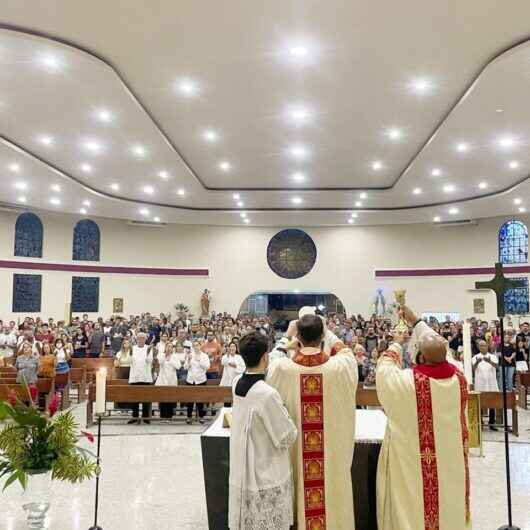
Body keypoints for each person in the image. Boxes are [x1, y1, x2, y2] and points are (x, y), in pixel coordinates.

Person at [376, 305, 471, 530]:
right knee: (447, 505)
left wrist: (398, 342)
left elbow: (384, 369)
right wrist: (417, 321)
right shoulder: (459, 376)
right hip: (449, 461)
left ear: (420, 356)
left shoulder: (408, 383)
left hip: (414, 463)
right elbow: (440, 348)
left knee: (416, 506)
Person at [267, 314, 358, 530]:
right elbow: (345, 351)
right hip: (329, 456)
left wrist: (286, 337)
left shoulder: (283, 369)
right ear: (322, 337)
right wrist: (328, 331)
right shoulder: (340, 367)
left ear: (298, 336)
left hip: (297, 452)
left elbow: (272, 359)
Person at [229, 331, 297, 530]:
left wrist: (285, 344)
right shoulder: (266, 394)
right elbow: (287, 436)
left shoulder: (236, 384)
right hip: (264, 470)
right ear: (265, 357)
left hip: (243, 467)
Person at [473, 340, 499, 430]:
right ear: (478, 347)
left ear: (487, 346)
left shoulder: (492, 356)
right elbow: (473, 369)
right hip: (480, 383)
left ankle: (492, 423)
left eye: (484, 345)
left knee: (492, 403)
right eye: (480, 346)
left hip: (491, 383)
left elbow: (497, 366)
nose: (482, 347)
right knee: (480, 403)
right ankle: (480, 422)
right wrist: (477, 362)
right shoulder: (475, 357)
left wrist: (489, 361)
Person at [128, 332, 153, 425]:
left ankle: (146, 417)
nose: (141, 339)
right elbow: (129, 361)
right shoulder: (133, 348)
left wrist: (147, 353)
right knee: (134, 399)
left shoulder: (148, 348)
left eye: (143, 338)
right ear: (136, 339)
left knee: (146, 399)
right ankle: (135, 416)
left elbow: (149, 361)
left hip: (145, 377)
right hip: (134, 377)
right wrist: (130, 354)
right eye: (139, 338)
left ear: (145, 339)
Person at [184, 341, 210, 424]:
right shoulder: (190, 355)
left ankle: (201, 417)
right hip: (190, 380)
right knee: (189, 400)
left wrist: (199, 361)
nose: (196, 347)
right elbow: (185, 367)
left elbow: (207, 367)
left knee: (200, 400)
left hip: (201, 380)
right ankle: (189, 417)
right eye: (194, 345)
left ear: (200, 346)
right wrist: (188, 360)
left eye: (197, 345)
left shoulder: (204, 356)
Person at [155, 342, 181, 421]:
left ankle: (169, 417)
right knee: (162, 399)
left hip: (171, 380)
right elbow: (160, 362)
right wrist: (165, 356)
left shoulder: (175, 356)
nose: (169, 348)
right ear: (165, 348)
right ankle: (162, 417)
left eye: (171, 347)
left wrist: (171, 360)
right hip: (162, 380)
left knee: (170, 399)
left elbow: (178, 366)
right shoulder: (161, 355)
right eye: (168, 346)